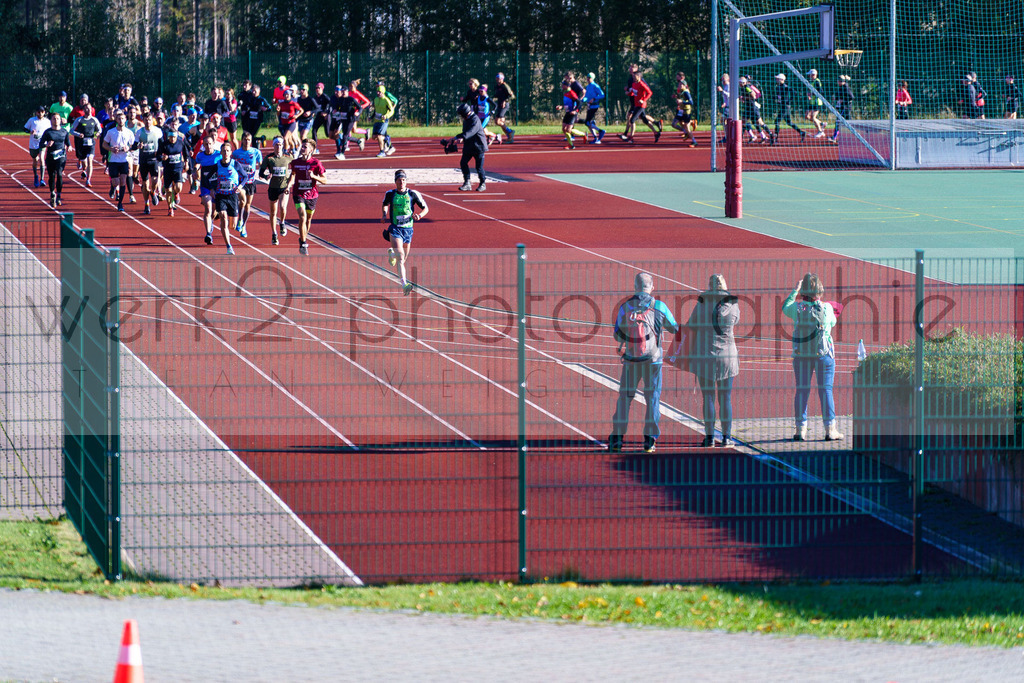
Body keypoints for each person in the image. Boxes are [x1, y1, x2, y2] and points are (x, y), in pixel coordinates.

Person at [607, 272, 678, 453]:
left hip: (631, 360)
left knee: (625, 399)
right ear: (652, 287)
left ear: (635, 287)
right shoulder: (660, 306)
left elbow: (616, 335)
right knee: (653, 398)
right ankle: (649, 440)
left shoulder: (625, 307)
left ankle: (617, 439)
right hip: (653, 361)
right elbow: (674, 327)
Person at [783, 273, 843, 441]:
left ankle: (800, 429)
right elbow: (833, 323)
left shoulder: (797, 308)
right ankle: (830, 429)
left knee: (802, 390)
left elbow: (785, 307)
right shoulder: (827, 308)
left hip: (802, 355)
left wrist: (794, 290)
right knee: (826, 390)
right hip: (823, 354)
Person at [685, 274, 740, 447]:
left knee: (708, 396)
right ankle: (727, 437)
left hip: (705, 355)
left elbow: (690, 325)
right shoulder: (732, 304)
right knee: (725, 398)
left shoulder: (702, 304)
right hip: (727, 356)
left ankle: (709, 437)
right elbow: (736, 321)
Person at [382, 169, 428, 296]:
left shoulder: (413, 194)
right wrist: (384, 214)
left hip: (408, 230)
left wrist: (420, 215)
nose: (401, 182)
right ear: (395, 182)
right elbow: (385, 204)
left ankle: (392, 254)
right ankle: (404, 284)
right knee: (401, 257)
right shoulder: (390, 194)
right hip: (395, 228)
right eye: (399, 180)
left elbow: (425, 208)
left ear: (406, 181)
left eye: (403, 180)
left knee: (403, 258)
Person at [287, 138, 327, 255]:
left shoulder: (316, 163)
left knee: (308, 219)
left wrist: (315, 177)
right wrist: (288, 185)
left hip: (312, 195)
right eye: (302, 146)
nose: (302, 148)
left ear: (311, 150)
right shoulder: (295, 162)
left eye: (305, 147)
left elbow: (325, 180)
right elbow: (293, 175)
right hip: (298, 194)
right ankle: (304, 242)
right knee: (303, 217)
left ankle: (302, 237)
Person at [446, 102, 488, 192]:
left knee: (479, 167)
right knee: (463, 163)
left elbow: (471, 131)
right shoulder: (466, 120)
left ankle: (482, 183)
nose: (461, 117)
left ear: (465, 113)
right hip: (469, 146)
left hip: (478, 146)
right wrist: (455, 138)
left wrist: (462, 138)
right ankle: (467, 183)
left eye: (461, 115)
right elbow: (464, 132)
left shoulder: (475, 119)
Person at [212, 142, 245, 255]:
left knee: (233, 225)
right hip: (221, 195)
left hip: (232, 196)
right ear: (221, 152)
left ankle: (238, 221)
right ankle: (229, 246)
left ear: (231, 153)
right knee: (223, 218)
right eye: (224, 151)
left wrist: (240, 186)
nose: (225, 153)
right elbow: (208, 177)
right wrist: (212, 189)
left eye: (227, 151)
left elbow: (245, 176)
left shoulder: (235, 164)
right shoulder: (217, 165)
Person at [259, 136, 292, 244]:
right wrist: (266, 177)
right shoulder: (269, 158)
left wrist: (291, 181)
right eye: (276, 144)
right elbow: (260, 173)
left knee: (282, 207)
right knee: (273, 212)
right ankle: (274, 234)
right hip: (273, 188)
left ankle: (282, 223)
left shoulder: (288, 157)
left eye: (280, 144)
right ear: (273, 145)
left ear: (283, 146)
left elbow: (295, 169)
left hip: (284, 187)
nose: (278, 146)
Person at [102, 109, 136, 212]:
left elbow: (133, 145)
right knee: (115, 181)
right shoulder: (111, 132)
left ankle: (120, 203)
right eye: (119, 118)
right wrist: (111, 149)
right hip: (113, 160)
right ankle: (113, 187)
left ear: (125, 119)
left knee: (123, 181)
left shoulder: (129, 132)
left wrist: (128, 148)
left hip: (124, 159)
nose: (121, 120)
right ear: (116, 119)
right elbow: (104, 144)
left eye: (122, 118)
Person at [620, 65, 661, 144]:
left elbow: (650, 92)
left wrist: (643, 100)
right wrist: (628, 93)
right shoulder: (634, 84)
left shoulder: (642, 84)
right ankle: (656, 133)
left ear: (639, 77)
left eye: (635, 77)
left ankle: (631, 138)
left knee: (632, 120)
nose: (634, 78)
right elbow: (633, 92)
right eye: (633, 77)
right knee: (645, 120)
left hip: (641, 105)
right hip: (636, 104)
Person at [232, 131, 263, 235]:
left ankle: (244, 226)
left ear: (251, 141)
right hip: (241, 182)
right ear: (242, 140)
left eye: (249, 140)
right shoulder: (236, 153)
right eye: (245, 139)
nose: (247, 141)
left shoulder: (256, 152)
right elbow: (232, 164)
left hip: (251, 182)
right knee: (242, 201)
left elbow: (261, 163)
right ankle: (239, 220)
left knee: (248, 205)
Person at [194, 135, 222, 245]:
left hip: (217, 186)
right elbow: (196, 163)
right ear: (203, 145)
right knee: (208, 208)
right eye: (206, 144)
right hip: (205, 185)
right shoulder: (200, 156)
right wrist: (195, 169)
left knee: (214, 212)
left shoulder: (219, 155)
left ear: (213, 143)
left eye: (210, 143)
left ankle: (210, 225)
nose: (208, 146)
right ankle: (208, 234)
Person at [39, 113, 71, 207]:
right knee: (52, 176)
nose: (56, 120)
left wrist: (69, 147)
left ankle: (59, 195)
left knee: (60, 174)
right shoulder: (48, 132)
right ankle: (52, 192)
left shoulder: (64, 132)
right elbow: (41, 144)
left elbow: (68, 143)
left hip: (61, 157)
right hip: (50, 157)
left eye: (57, 119)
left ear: (60, 121)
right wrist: (47, 145)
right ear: (51, 120)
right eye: (54, 119)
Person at [136, 112, 164, 215]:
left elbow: (162, 144)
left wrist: (161, 155)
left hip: (154, 160)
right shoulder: (139, 132)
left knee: (155, 180)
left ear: (152, 120)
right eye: (146, 120)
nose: (148, 122)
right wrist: (138, 145)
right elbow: (134, 145)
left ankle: (153, 192)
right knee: (145, 184)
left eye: (149, 120)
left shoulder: (158, 131)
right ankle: (146, 204)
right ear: (143, 121)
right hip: (143, 160)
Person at [157, 126, 187, 216]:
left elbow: (186, 153)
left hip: (178, 169)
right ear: (168, 137)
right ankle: (170, 207)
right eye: (171, 137)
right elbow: (158, 155)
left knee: (178, 187)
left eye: (174, 137)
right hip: (168, 169)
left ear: (176, 136)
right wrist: (162, 157)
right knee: (168, 191)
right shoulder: (164, 144)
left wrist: (187, 162)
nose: (172, 139)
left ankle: (176, 193)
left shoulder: (180, 143)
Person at [70, 105, 102, 186]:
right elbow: (71, 130)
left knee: (90, 160)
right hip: (81, 143)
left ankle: (88, 180)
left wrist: (98, 133)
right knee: (84, 162)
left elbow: (100, 129)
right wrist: (78, 134)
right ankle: (83, 167)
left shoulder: (94, 120)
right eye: (86, 108)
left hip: (91, 143)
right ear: (84, 110)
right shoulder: (79, 120)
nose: (88, 109)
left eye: (90, 108)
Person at [555, 74, 588, 149]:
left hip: (572, 113)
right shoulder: (565, 93)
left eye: (563, 85)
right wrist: (561, 106)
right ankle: (571, 145)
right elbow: (567, 103)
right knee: (564, 129)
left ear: (567, 86)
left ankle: (583, 135)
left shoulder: (572, 93)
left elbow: (579, 102)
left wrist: (574, 110)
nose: (562, 87)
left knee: (569, 130)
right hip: (567, 112)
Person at [771, 73, 805, 143]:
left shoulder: (785, 87)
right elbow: (778, 96)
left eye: (778, 79)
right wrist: (777, 100)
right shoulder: (778, 87)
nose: (776, 80)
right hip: (783, 106)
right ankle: (801, 132)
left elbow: (794, 92)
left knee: (777, 121)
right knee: (789, 122)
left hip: (785, 106)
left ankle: (776, 138)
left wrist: (789, 100)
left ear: (782, 80)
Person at [329, 84, 360, 159]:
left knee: (345, 135)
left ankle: (342, 153)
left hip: (351, 119)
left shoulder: (351, 99)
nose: (343, 93)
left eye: (344, 92)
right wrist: (336, 110)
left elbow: (360, 107)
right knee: (343, 136)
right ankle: (358, 141)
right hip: (343, 119)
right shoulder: (340, 99)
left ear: (347, 92)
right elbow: (339, 108)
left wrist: (357, 112)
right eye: (342, 92)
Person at [739, 76, 772, 144]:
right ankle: (752, 136)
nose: (739, 84)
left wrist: (744, 98)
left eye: (740, 82)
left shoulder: (747, 87)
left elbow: (753, 96)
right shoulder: (743, 88)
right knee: (744, 122)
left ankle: (770, 134)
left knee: (759, 123)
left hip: (752, 108)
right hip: (747, 107)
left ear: (743, 82)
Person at [25, 106, 52, 188]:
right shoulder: (32, 120)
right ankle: (36, 175)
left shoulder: (47, 122)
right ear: (36, 112)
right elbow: (25, 128)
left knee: (42, 159)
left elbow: (51, 130)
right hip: (33, 144)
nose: (40, 113)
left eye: (42, 112)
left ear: (44, 113)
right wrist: (30, 131)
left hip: (42, 143)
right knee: (35, 160)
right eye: (39, 112)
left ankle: (42, 179)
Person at [670, 72, 697, 146]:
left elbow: (691, 102)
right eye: (679, 84)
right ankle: (685, 132)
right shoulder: (681, 92)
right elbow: (681, 98)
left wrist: (682, 102)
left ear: (684, 85)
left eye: (680, 84)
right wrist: (676, 97)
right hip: (681, 111)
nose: (679, 85)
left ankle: (694, 141)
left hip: (686, 111)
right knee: (674, 124)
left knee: (687, 127)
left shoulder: (686, 92)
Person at [276, 89, 304, 155]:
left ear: (290, 96)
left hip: (291, 123)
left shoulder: (293, 104)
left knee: (285, 138)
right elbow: (278, 114)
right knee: (289, 139)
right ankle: (294, 148)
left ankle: (285, 151)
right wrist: (278, 110)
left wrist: (296, 116)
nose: (286, 96)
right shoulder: (281, 104)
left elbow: (301, 110)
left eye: (288, 94)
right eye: (285, 95)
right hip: (284, 123)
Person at [582, 72, 606, 144]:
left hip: (594, 106)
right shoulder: (588, 87)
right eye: (587, 77)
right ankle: (595, 138)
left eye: (589, 78)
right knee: (589, 123)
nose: (588, 79)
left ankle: (601, 131)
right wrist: (582, 100)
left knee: (587, 122)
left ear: (592, 78)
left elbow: (602, 95)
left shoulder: (596, 86)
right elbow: (586, 97)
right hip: (589, 106)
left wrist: (594, 98)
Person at [372, 84, 396, 157]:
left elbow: (392, 111)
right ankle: (388, 140)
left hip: (383, 121)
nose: (378, 93)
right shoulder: (376, 99)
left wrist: (386, 116)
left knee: (379, 136)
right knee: (374, 137)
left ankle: (382, 151)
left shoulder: (386, 100)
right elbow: (375, 109)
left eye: (379, 92)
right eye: (377, 91)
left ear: (383, 92)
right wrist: (371, 116)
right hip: (377, 121)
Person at [493, 72, 516, 144]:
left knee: (498, 121)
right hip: (499, 104)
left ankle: (510, 132)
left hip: (504, 105)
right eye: (497, 76)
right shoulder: (497, 86)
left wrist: (505, 101)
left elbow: (512, 96)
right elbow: (496, 96)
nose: (498, 78)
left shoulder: (505, 86)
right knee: (500, 122)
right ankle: (509, 137)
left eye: (499, 77)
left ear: (502, 78)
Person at [348, 80, 372, 147]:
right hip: (349, 113)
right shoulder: (348, 93)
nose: (350, 87)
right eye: (349, 86)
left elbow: (367, 102)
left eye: (352, 86)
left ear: (355, 87)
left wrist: (361, 107)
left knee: (351, 129)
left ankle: (346, 145)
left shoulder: (357, 94)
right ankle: (366, 131)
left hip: (355, 113)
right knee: (352, 130)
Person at [832, 75, 855, 142]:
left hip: (845, 108)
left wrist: (843, 100)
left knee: (841, 122)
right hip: (841, 108)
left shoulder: (846, 88)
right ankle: (835, 137)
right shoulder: (840, 88)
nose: (838, 82)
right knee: (841, 123)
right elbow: (838, 96)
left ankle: (834, 137)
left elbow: (851, 97)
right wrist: (835, 98)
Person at [805, 68, 826, 137]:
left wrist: (812, 94)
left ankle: (820, 131)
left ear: (813, 75)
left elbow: (820, 91)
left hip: (817, 102)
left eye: (810, 75)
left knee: (813, 117)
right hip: (812, 102)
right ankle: (821, 124)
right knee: (807, 116)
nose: (809, 76)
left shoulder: (817, 81)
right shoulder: (811, 82)